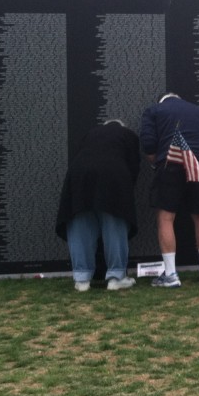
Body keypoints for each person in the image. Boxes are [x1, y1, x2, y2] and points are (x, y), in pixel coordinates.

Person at [139, 92, 199, 287]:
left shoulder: (154, 111)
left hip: (170, 163)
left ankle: (170, 274)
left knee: (166, 217)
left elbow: (148, 144)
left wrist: (156, 162)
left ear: (161, 100)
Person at [56, 119, 141, 291]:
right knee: (114, 225)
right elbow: (134, 166)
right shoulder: (128, 135)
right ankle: (116, 277)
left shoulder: (91, 133)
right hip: (113, 175)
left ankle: (82, 279)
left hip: (79, 177)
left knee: (81, 225)